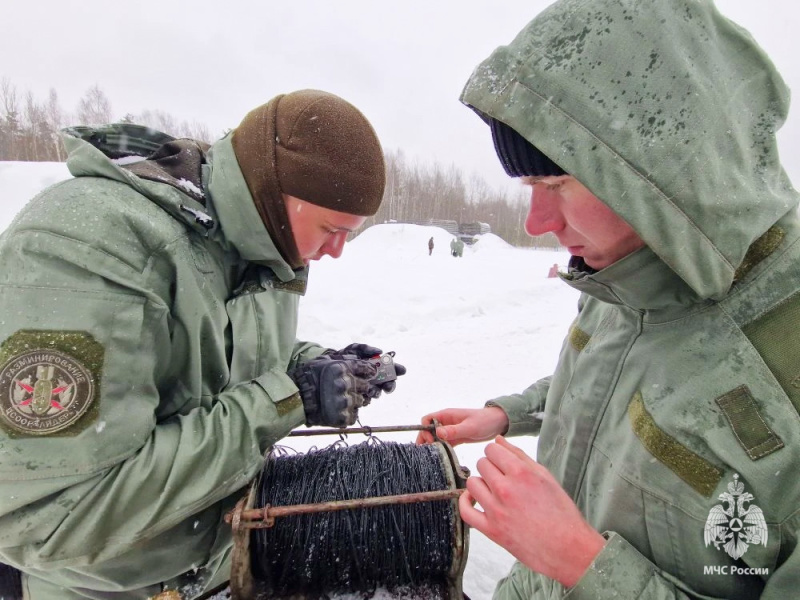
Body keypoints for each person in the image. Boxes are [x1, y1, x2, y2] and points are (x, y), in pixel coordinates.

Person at [419, 1, 800, 598]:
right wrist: (508, 413)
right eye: (529, 185)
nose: (538, 222)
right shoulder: (626, 266)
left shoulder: (785, 359)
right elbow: (617, 378)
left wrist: (579, 561)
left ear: (657, 175)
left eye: (556, 184)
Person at [0, 89, 406, 599]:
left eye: (352, 234)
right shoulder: (94, 243)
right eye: (331, 229)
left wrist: (322, 365)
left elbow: (219, 351)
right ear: (273, 191)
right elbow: (56, 518)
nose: (338, 251)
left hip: (208, 569)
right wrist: (288, 398)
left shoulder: (259, 247)